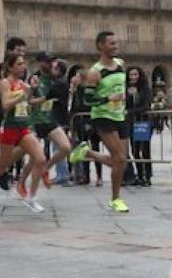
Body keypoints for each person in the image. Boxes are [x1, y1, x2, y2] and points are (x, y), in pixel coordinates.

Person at [69, 31, 131, 212]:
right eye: (111, 43)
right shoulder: (95, 72)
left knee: (121, 161)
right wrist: (109, 99)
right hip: (103, 117)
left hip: (120, 116)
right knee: (119, 158)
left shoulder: (121, 64)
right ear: (101, 46)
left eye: (116, 43)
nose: (115, 46)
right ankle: (116, 199)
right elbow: (88, 101)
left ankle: (87, 152)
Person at [0, 53, 47, 213]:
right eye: (19, 64)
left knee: (40, 158)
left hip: (23, 127)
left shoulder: (23, 83)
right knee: (2, 166)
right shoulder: (5, 83)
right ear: (10, 67)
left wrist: (39, 95)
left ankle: (31, 197)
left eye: (24, 64)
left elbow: (29, 103)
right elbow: (5, 105)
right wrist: (22, 95)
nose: (23, 67)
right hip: (9, 128)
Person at [18, 56, 72, 193]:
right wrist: (33, 90)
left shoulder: (57, 81)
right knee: (33, 158)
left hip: (50, 120)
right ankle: (22, 181)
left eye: (52, 64)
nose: (50, 66)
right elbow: (28, 99)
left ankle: (46, 168)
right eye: (47, 62)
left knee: (65, 147)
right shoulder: (35, 78)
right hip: (34, 121)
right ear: (42, 64)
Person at [126, 66, 152, 186]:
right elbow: (125, 105)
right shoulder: (126, 89)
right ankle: (139, 175)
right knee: (135, 150)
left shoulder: (145, 88)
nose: (133, 77)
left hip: (142, 122)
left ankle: (147, 176)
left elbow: (146, 105)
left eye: (135, 74)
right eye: (131, 75)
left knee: (144, 149)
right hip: (132, 122)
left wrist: (135, 96)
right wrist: (129, 96)